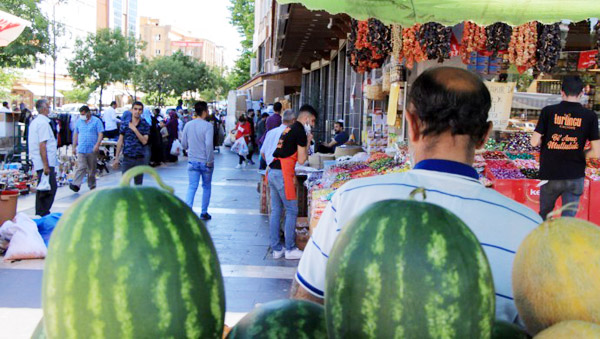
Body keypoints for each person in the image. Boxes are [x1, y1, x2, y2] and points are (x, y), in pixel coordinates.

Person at [293, 67, 542, 323]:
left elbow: (305, 307)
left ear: (411, 125)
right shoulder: (530, 230)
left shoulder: (351, 199)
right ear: (485, 136)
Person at [531, 76, 600, 220]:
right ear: (582, 94)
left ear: (562, 92)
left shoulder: (548, 111)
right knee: (568, 221)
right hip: (575, 176)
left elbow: (533, 142)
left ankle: (544, 242)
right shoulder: (590, 116)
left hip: (550, 174)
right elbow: (597, 152)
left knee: (544, 217)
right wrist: (579, 153)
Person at [269, 105, 317, 260]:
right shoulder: (300, 131)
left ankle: (276, 248)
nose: (314, 125)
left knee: (277, 210)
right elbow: (302, 160)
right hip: (283, 173)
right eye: (313, 121)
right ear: (307, 119)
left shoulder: (289, 128)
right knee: (291, 210)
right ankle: (290, 248)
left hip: (272, 171)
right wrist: (308, 141)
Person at [182, 101, 214, 221]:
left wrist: (188, 149)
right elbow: (209, 144)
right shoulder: (208, 126)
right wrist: (209, 160)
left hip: (192, 161)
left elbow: (183, 143)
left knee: (192, 186)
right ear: (205, 111)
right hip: (205, 162)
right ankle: (204, 212)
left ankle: (188, 210)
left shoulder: (188, 125)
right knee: (206, 187)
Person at [28, 99, 58, 216]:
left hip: (41, 161)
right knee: (49, 188)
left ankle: (41, 212)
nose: (49, 109)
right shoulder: (43, 123)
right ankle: (42, 212)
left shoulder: (36, 122)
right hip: (45, 162)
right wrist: (46, 165)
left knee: (45, 187)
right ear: (44, 108)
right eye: (48, 107)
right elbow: (42, 145)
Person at [113, 101, 150, 185]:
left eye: (140, 110)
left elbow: (144, 141)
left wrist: (135, 130)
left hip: (139, 158)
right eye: (135, 109)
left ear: (142, 111)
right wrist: (116, 158)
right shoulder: (125, 124)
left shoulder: (144, 124)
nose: (137, 111)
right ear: (132, 110)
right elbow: (120, 141)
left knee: (138, 185)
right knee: (124, 184)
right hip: (127, 158)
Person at [69, 105, 104, 192]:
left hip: (92, 149)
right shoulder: (79, 122)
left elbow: (100, 133)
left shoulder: (96, 121)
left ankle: (92, 185)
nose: (82, 116)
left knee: (92, 169)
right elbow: (76, 134)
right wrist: (74, 147)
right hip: (81, 148)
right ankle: (75, 184)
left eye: (84, 114)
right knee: (82, 166)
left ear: (88, 113)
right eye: (81, 114)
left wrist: (97, 144)